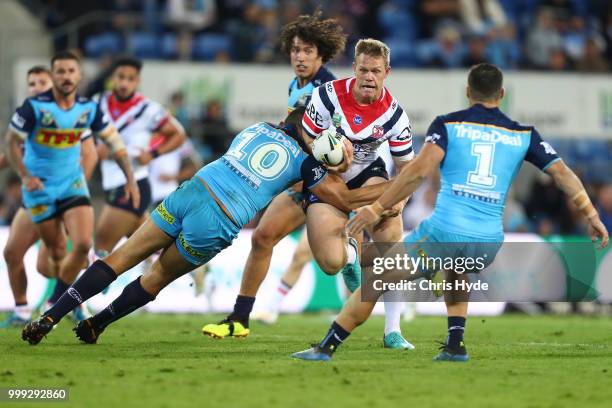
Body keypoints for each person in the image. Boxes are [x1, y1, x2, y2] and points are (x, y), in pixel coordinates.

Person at [292, 63, 609, 362]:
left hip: (443, 233)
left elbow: (417, 173)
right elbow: (563, 174)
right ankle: (455, 344)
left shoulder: (448, 125)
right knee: (458, 268)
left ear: (467, 92)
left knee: (376, 277)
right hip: (487, 241)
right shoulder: (524, 134)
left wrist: (376, 208)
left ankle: (326, 347)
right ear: (501, 95)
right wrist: (591, 215)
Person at [22, 107, 390, 345]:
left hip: (194, 189)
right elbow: (340, 199)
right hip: (218, 219)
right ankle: (97, 324)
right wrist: (390, 188)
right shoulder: (307, 163)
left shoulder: (255, 127)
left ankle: (51, 315)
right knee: (156, 278)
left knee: (121, 256)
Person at [203, 11, 349, 334]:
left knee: (330, 262)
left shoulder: (330, 90)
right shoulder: (295, 86)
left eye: (307, 51)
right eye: (296, 49)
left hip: (322, 184)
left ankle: (354, 263)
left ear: (320, 55)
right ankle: (240, 318)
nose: (299, 56)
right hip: (300, 181)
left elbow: (340, 143)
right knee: (262, 237)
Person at [4, 51, 139, 323]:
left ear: (78, 75)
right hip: (39, 192)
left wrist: (127, 179)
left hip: (71, 189)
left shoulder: (85, 110)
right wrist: (26, 175)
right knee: (48, 259)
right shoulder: (31, 111)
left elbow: (98, 150)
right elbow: (10, 147)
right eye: (60, 72)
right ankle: (65, 300)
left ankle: (56, 304)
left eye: (70, 71)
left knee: (80, 244)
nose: (65, 77)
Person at [299, 38, 416, 349]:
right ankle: (350, 256)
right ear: (354, 68)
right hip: (327, 176)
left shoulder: (394, 115)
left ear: (386, 72)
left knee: (391, 237)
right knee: (330, 263)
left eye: (375, 71)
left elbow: (407, 168)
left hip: (367, 175)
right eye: (363, 69)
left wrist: (399, 200)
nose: (368, 76)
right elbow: (307, 136)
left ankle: (393, 330)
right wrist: (327, 153)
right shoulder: (326, 96)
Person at [1, 65, 99, 327]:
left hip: (62, 196)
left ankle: (74, 303)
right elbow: (10, 154)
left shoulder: (71, 112)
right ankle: (22, 310)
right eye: (31, 83)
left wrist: (75, 193)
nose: (35, 88)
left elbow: (90, 154)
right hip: (32, 195)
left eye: (41, 82)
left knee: (52, 261)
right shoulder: (29, 115)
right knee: (13, 253)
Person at [93, 57, 186, 260]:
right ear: (112, 79)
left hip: (131, 185)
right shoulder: (97, 103)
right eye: (121, 77)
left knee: (101, 247)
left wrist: (153, 154)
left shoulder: (147, 109)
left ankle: (83, 290)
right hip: (110, 183)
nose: (124, 83)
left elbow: (178, 134)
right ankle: (194, 268)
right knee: (152, 249)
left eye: (130, 79)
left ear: (137, 82)